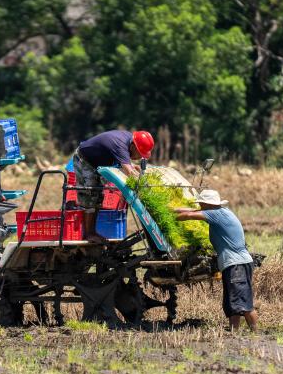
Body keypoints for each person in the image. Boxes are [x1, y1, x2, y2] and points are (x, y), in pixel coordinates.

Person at [174, 190, 258, 332]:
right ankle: (233, 331)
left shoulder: (216, 214)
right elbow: (192, 210)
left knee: (243, 303)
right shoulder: (220, 212)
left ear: (207, 204)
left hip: (237, 264)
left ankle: (255, 333)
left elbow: (189, 215)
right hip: (234, 264)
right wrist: (172, 210)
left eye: (201, 203)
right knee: (233, 302)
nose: (199, 205)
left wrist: (169, 219)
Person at [73, 130, 155, 241]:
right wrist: (145, 189)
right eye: (139, 154)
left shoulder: (129, 142)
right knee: (90, 194)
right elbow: (130, 172)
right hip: (84, 160)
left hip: (98, 163)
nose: (139, 158)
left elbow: (124, 162)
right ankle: (89, 233)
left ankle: (92, 232)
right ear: (133, 147)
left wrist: (132, 166)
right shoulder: (120, 144)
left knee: (98, 197)